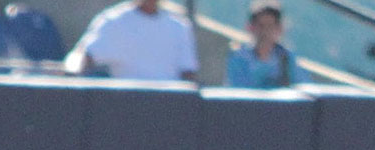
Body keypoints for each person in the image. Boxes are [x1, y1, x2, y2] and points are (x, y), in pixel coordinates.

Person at [66, 0, 197, 81]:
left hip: (171, 112)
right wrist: (71, 71)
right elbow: (82, 56)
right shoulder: (114, 21)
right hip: (128, 109)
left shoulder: (179, 27)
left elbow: (188, 75)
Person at [225, 2, 307, 89]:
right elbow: (237, 90)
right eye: (261, 26)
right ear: (251, 27)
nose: (265, 32)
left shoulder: (286, 58)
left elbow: (301, 88)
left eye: (270, 26)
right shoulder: (239, 57)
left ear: (279, 29)